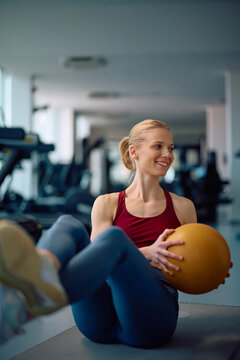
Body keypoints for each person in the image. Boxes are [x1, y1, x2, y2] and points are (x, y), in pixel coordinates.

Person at [0, 119, 226, 348]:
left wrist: (210, 268)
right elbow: (96, 258)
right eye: (158, 146)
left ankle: (25, 306)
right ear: (134, 151)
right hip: (99, 319)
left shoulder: (183, 206)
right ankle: (42, 271)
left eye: (171, 148)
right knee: (67, 222)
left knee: (114, 239)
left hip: (150, 320)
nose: (167, 154)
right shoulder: (106, 203)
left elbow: (192, 264)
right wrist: (147, 252)